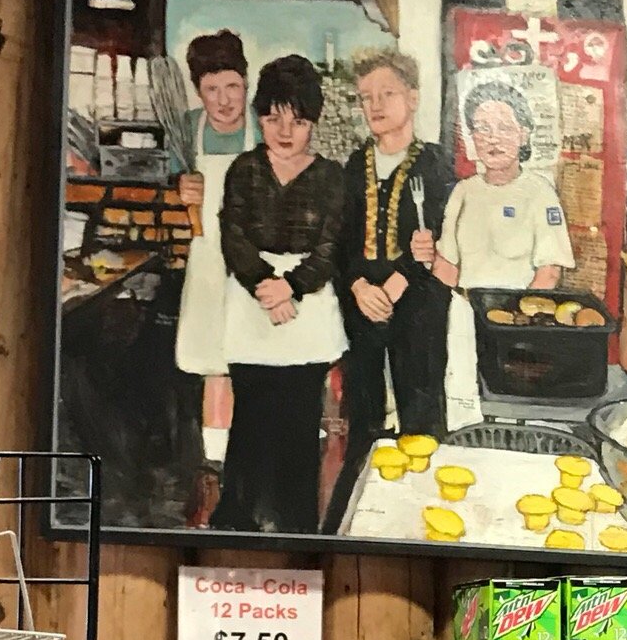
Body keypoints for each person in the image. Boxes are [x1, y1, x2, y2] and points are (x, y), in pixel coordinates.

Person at [213, 54, 348, 535]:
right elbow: (233, 236)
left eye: (298, 121)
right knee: (250, 416)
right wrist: (265, 286)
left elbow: (331, 246)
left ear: (313, 122)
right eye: (273, 119)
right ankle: (237, 520)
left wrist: (291, 286)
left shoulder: (331, 177)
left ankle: (296, 524)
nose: (285, 132)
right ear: (259, 118)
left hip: (307, 305)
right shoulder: (244, 170)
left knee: (298, 421)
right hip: (251, 301)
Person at [326, 47, 456, 531]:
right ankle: (363, 519)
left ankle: (426, 514)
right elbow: (338, 241)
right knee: (363, 411)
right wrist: (358, 285)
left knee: (421, 405)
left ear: (413, 98)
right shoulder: (351, 168)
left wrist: (400, 281)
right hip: (362, 304)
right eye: (366, 97)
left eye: (387, 94)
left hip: (418, 305)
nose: (375, 105)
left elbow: (443, 236)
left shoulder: (436, 166)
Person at [433, 80, 578, 422]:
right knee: (463, 412)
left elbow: (550, 270)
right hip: (464, 322)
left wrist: (515, 323)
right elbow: (447, 267)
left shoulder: (539, 193)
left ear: (524, 134)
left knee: (516, 412)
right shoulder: (463, 192)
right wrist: (428, 260)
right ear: (471, 137)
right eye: (482, 128)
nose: (492, 138)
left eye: (504, 127)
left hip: (519, 325)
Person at [169, 29, 252, 527]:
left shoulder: (263, 129)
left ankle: (253, 458)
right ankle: (215, 465)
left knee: (254, 359)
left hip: (255, 258)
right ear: (199, 92)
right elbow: (171, 200)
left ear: (246, 83)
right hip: (207, 259)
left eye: (232, 87)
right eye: (212, 90)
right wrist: (182, 195)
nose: (223, 101)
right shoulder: (187, 129)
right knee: (214, 362)